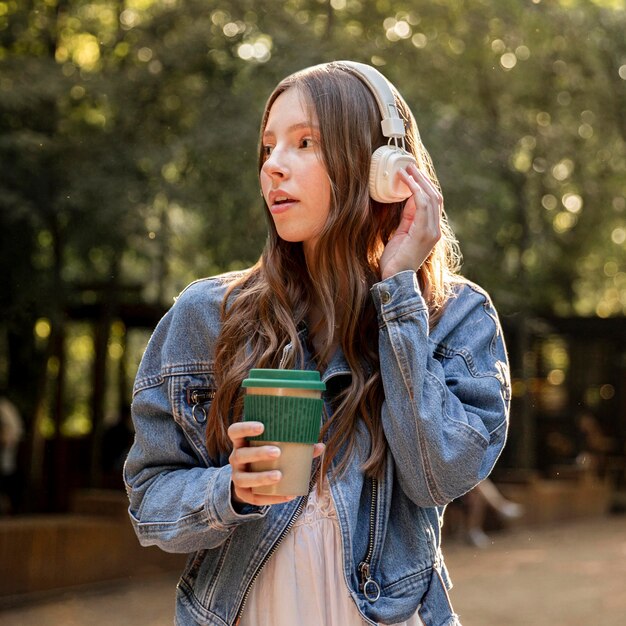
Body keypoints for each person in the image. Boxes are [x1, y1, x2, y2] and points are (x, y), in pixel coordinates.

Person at [124, 61, 511, 626]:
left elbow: (439, 476)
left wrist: (398, 299)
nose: (273, 166)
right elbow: (148, 499)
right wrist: (231, 489)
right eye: (268, 147)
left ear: (384, 170)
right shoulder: (208, 315)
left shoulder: (454, 316)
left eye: (305, 142)